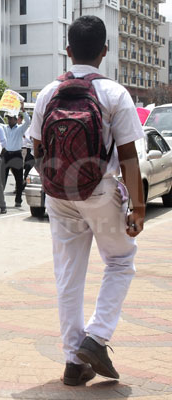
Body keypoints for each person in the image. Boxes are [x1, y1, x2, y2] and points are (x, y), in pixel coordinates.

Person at [29, 15, 145, 386]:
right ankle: (95, 338)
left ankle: (72, 360)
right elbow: (128, 156)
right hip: (98, 189)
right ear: (105, 51)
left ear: (68, 51)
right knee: (121, 259)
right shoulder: (114, 93)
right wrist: (138, 208)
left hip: (59, 194)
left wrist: (57, 178)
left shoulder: (48, 93)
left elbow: (37, 147)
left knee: (68, 275)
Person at [0, 104, 30, 207]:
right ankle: (0, 199)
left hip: (17, 155)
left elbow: (28, 122)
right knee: (2, 178)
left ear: (15, 119)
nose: (9, 120)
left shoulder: (20, 129)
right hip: (6, 155)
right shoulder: (5, 128)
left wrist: (23, 110)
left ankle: (18, 199)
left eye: (11, 118)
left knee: (18, 179)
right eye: (8, 118)